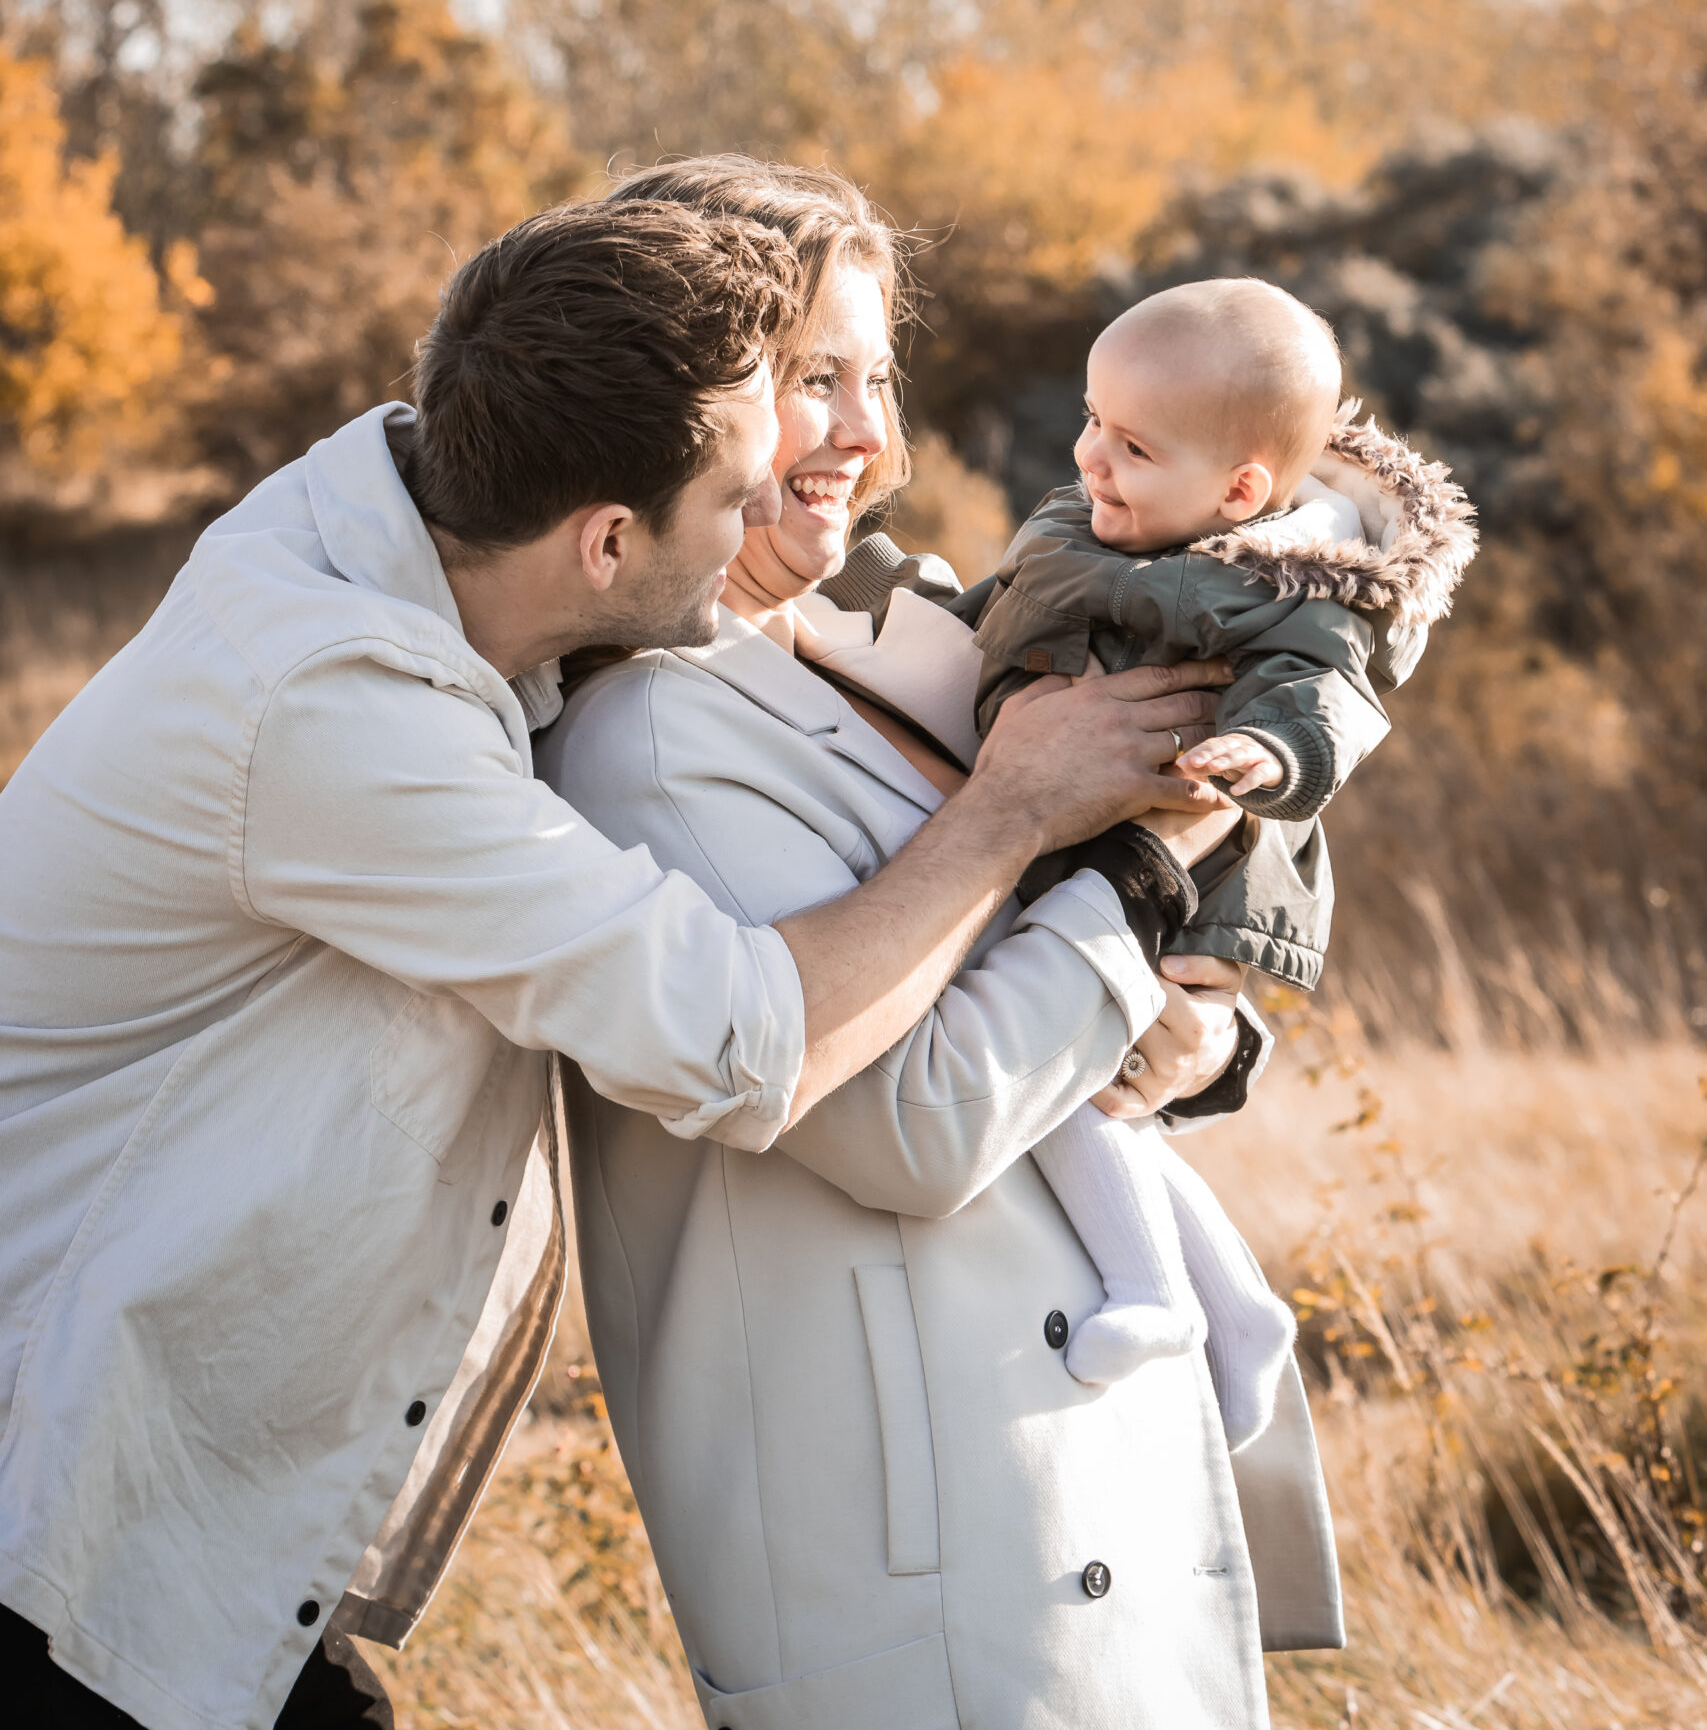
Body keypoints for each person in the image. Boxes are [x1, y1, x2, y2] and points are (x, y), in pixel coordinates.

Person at [0, 196, 1234, 1730]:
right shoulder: (337, 704)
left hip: (181, 1515)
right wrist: (1023, 814)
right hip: (52, 1502)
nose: (775, 509)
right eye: (736, 487)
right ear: (604, 537)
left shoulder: (437, 536)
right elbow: (741, 1041)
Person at [539, 160, 1344, 1730]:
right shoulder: (646, 742)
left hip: (1096, 1480)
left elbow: (1057, 980)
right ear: (682, 405)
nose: (862, 434)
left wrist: (1195, 1041)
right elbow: (907, 1127)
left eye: (874, 377)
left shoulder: (901, 648)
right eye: (806, 381)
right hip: (938, 1571)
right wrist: (1139, 860)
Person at [969, 277, 1477, 1421]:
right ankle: (1241, 1311)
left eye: (1131, 444)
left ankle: (1157, 1290)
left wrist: (1264, 749)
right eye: (1093, 421)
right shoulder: (1104, 525)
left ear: (1239, 489)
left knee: (1069, 1078)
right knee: (1102, 1091)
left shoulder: (1289, 584)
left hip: (1191, 854)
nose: (1091, 456)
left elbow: (1327, 694)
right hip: (1109, 831)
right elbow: (998, 613)